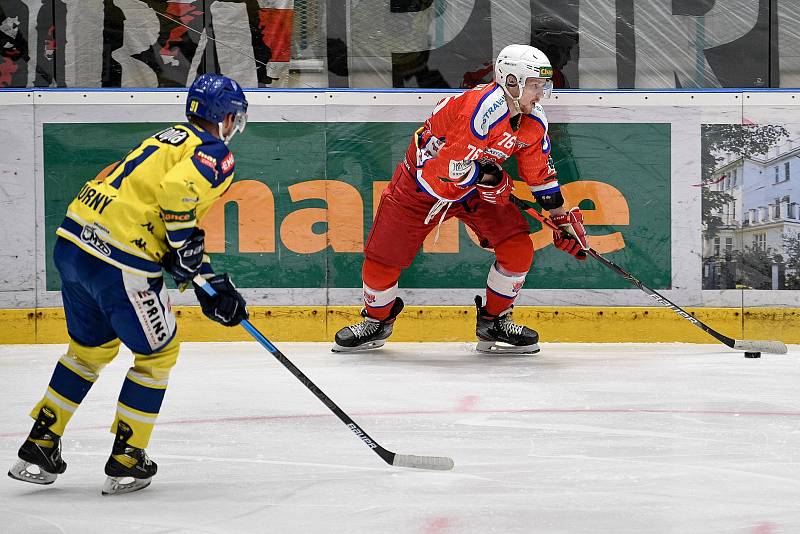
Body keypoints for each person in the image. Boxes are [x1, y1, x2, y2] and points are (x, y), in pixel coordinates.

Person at [7, 73, 250, 495]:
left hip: (75, 242)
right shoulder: (214, 153)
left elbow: (167, 222)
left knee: (88, 351)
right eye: (234, 117)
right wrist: (185, 248)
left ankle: (40, 443)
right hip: (120, 260)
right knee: (159, 354)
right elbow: (176, 199)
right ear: (225, 117)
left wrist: (209, 281)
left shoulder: (170, 137)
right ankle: (126, 459)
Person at [333, 44, 589, 355]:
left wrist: (562, 218)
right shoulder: (481, 108)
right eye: (535, 85)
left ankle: (494, 321)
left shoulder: (533, 120)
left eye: (542, 86)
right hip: (421, 187)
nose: (541, 94)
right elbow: (447, 171)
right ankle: (376, 321)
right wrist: (493, 178)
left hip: (472, 191)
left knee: (518, 248)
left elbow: (540, 176)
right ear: (511, 82)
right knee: (380, 265)